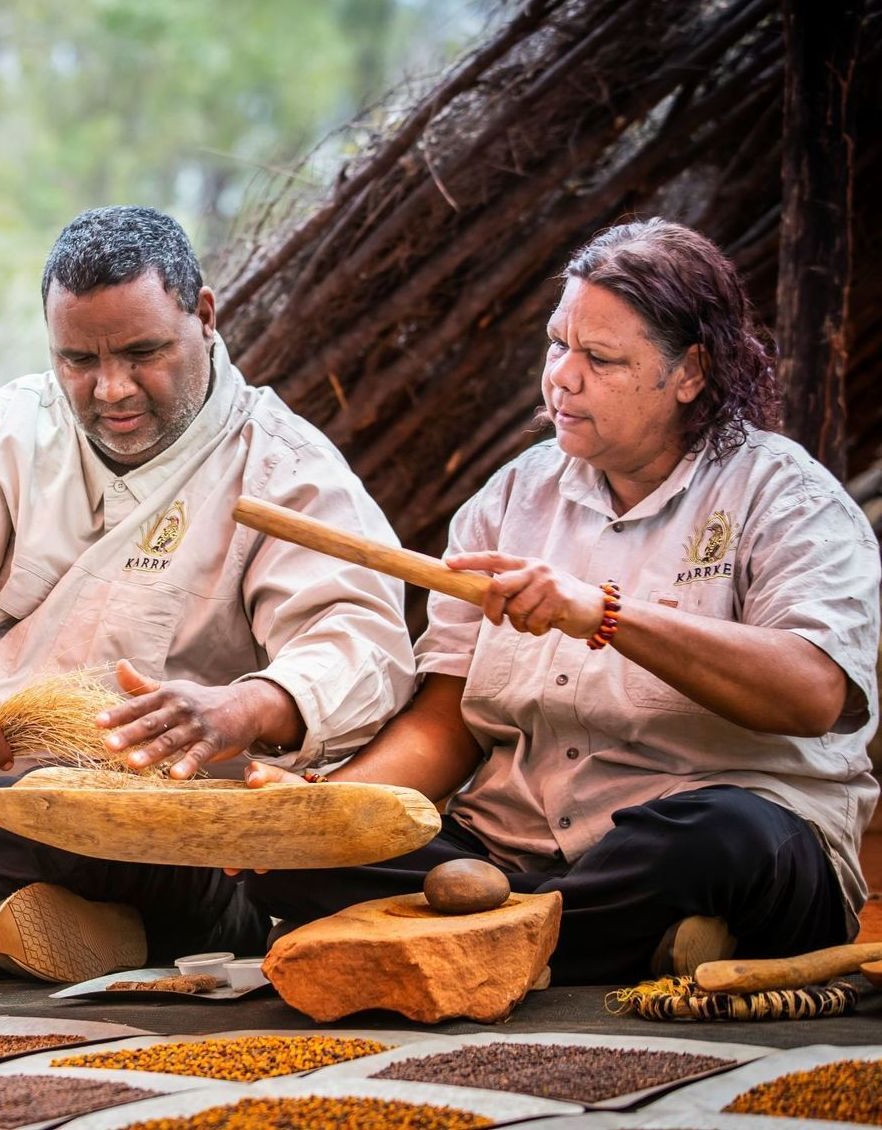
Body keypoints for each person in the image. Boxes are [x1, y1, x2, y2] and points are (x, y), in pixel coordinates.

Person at [0, 204, 415, 992]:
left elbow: (360, 643)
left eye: (143, 353)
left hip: (163, 845)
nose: (111, 389)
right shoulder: (3, 430)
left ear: (204, 316)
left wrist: (240, 709)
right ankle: (25, 927)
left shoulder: (284, 467)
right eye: (78, 360)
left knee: (39, 816)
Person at [244, 217, 881, 985]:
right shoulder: (510, 497)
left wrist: (603, 614)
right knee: (291, 860)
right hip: (512, 850)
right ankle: (591, 939)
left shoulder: (784, 495)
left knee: (723, 840)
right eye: (557, 345)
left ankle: (488, 936)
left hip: (693, 838)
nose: (562, 377)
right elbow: (448, 724)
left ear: (690, 372)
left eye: (600, 358)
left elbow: (813, 694)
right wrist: (328, 815)